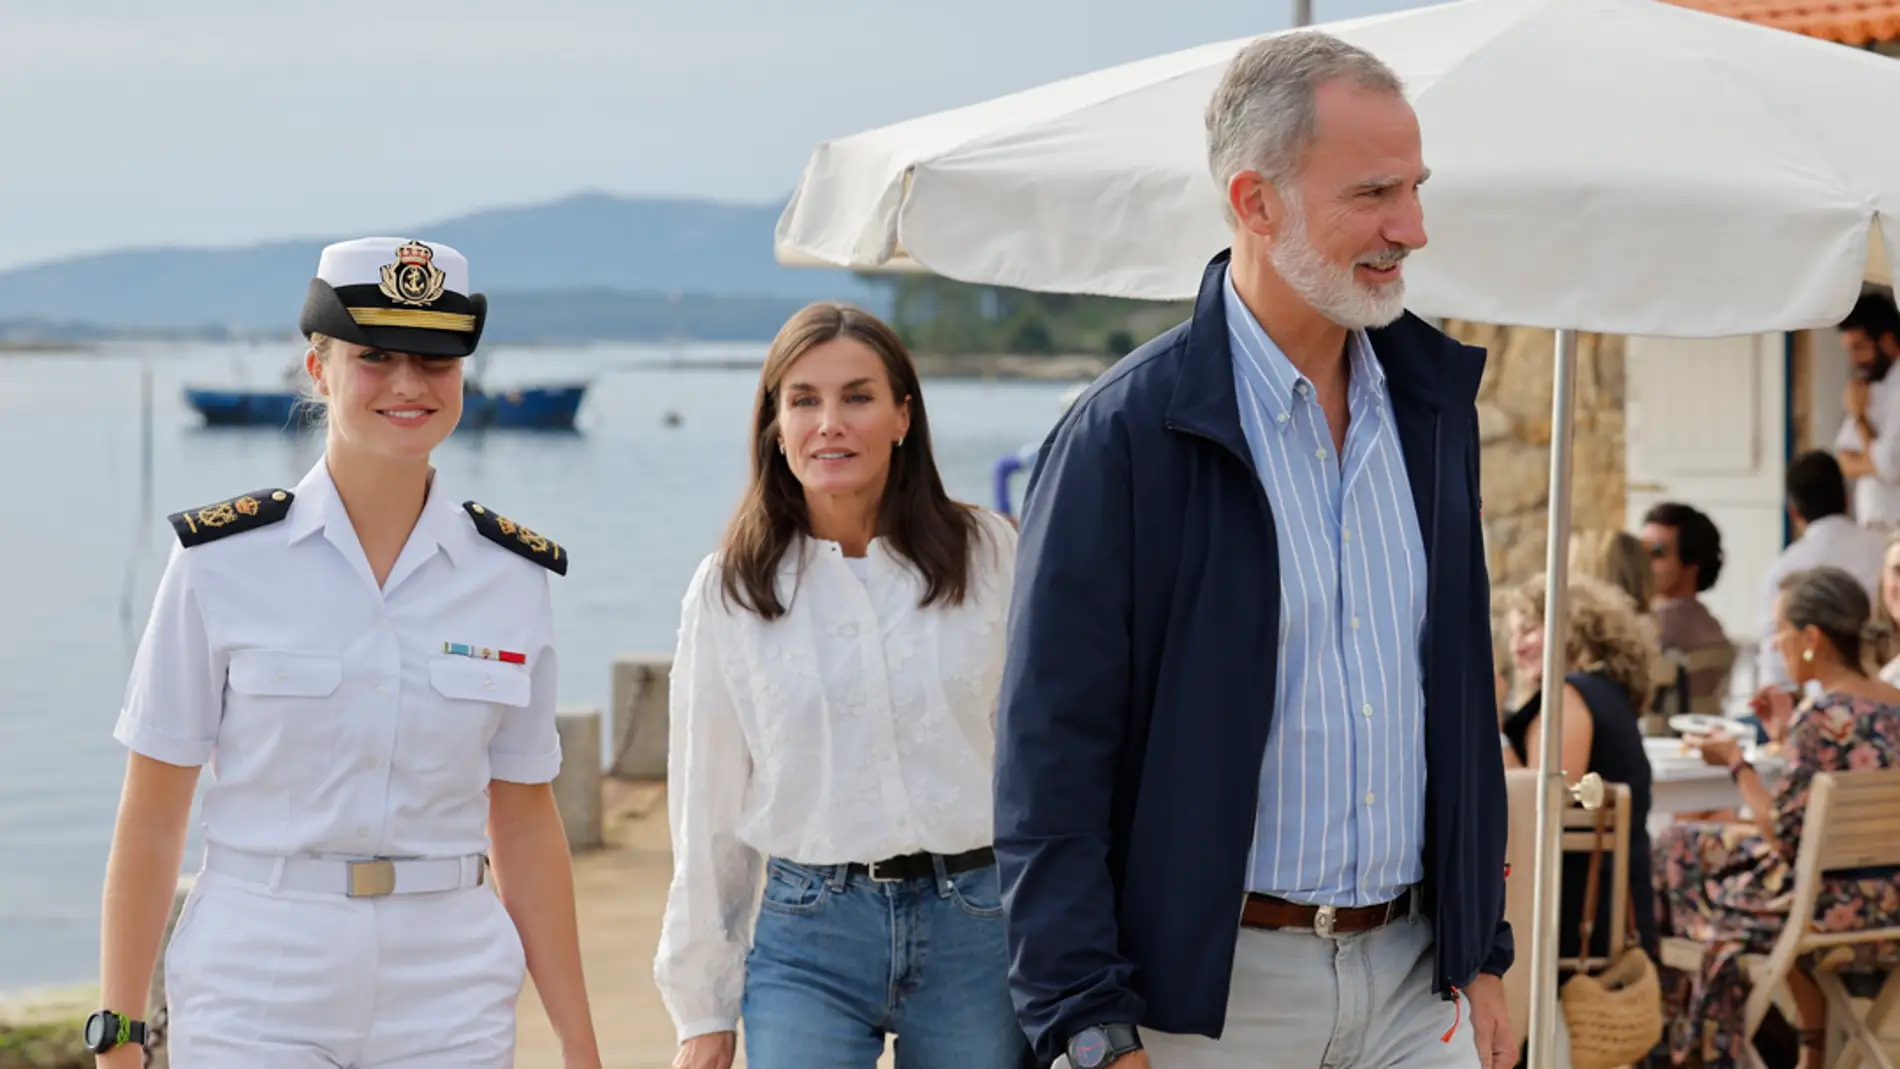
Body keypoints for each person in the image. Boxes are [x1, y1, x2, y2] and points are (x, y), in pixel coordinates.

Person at [993, 31, 1514, 1069]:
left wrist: (1483, 948)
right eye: (1372, 193)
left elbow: (1459, 692)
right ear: (1255, 201)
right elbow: (1049, 756)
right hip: (1209, 1006)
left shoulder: (1434, 412)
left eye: (1414, 188)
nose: (1409, 228)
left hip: (1419, 986)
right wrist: (1086, 1026)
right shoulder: (1120, 439)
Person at [92, 238, 601, 1068]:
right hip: (259, 971)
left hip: (450, 982)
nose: (409, 383)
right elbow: (153, 813)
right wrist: (117, 1031)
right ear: (318, 368)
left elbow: (524, 819)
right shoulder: (221, 561)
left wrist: (578, 1040)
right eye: (375, 357)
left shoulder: (512, 577)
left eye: (436, 360)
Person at [653, 303, 1031, 1069]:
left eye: (858, 396)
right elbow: (708, 807)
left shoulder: (992, 554)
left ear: (902, 416)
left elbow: (1046, 758)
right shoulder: (730, 590)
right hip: (807, 935)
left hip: (978, 926)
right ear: (775, 425)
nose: (831, 421)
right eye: (804, 400)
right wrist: (703, 1005)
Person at [1655, 566, 1900, 1068]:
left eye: (1779, 632)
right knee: (1710, 845)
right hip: (1889, 902)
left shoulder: (1822, 717)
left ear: (1812, 638)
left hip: (1821, 908)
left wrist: (1736, 764)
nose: (1774, 645)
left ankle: (1691, 1034)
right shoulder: (1894, 705)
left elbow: (1785, 838)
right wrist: (1788, 733)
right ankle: (1807, 1047)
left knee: (1676, 845)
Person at [1499, 574, 1660, 962]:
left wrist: (1488, 728)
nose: (1517, 647)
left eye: (1530, 630)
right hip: (1618, 899)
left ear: (1569, 627)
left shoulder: (1569, 698)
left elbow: (1536, 807)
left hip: (1577, 917)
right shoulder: (1604, 692)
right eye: (1513, 635)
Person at [1755, 451, 1885, 693]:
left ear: (1794, 511)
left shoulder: (1785, 569)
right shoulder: (1886, 551)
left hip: (1820, 699)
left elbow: (1774, 670)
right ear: (1847, 499)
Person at [1641, 502, 1733, 714]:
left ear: (1691, 565)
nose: (1643, 561)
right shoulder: (1711, 624)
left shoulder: (1656, 626)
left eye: (1657, 552)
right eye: (1641, 550)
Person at [1832, 290, 1900, 528]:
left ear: (1887, 341)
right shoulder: (1871, 385)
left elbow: (1890, 466)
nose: (1853, 360)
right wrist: (1877, 463)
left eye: (1859, 348)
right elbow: (1844, 461)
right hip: (1874, 530)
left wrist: (1860, 417)